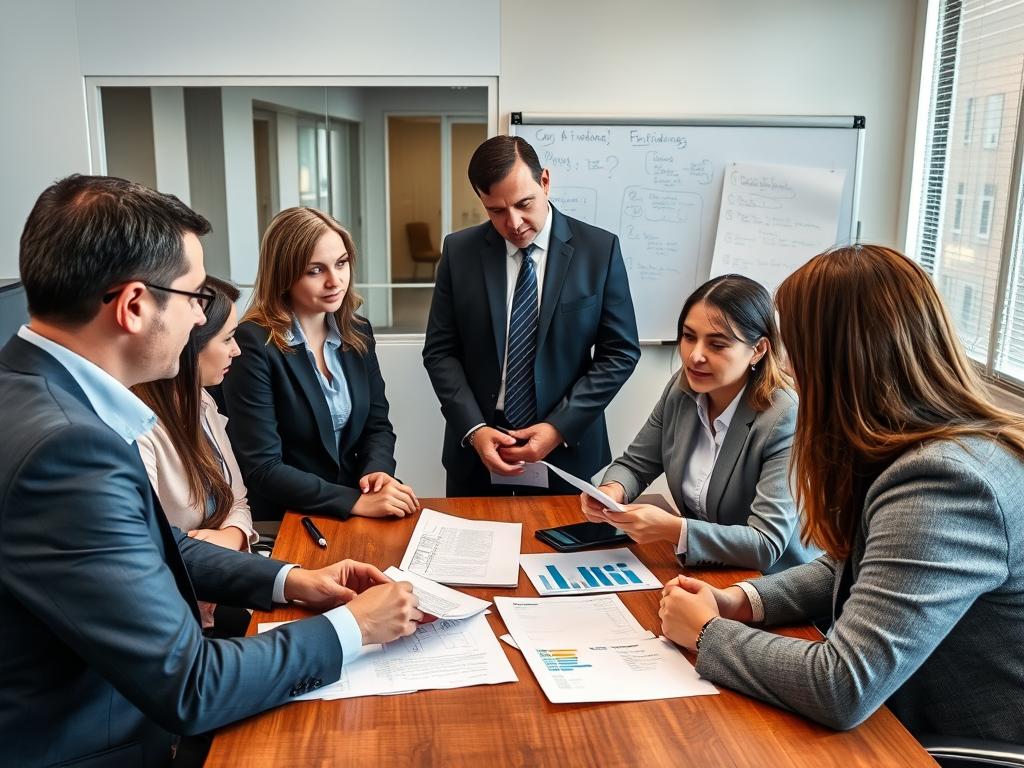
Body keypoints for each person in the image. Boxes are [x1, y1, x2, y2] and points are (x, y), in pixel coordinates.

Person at [0, 175, 422, 768]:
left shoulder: (29, 391)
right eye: (196, 296)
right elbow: (191, 685)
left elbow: (149, 541)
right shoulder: (69, 447)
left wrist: (290, 578)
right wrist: (354, 628)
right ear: (134, 306)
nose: (205, 317)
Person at [659, 245, 1024, 742]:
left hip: (950, 743)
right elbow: (848, 564)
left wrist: (708, 634)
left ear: (840, 361)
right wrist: (741, 601)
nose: (790, 372)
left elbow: (842, 686)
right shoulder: (924, 444)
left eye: (799, 354)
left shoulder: (944, 482)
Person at [423, 135, 641, 496]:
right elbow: (440, 351)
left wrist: (558, 428)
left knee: (559, 551)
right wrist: (474, 429)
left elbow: (620, 352)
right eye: (495, 210)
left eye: (525, 203)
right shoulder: (459, 252)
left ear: (545, 181)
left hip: (565, 452)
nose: (514, 222)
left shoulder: (599, 250)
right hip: (479, 449)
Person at [581, 275, 818, 573]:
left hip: (772, 585)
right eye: (689, 336)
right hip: (708, 572)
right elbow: (634, 465)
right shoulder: (681, 390)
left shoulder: (783, 416)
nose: (695, 356)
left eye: (717, 345)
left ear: (758, 350)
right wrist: (613, 491)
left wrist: (674, 530)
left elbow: (765, 545)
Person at [222, 207, 418, 521]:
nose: (335, 281)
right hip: (286, 514)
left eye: (341, 264)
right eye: (315, 270)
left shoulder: (357, 331)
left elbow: (377, 425)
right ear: (284, 276)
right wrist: (353, 502)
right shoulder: (253, 343)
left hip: (355, 500)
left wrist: (377, 472)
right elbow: (263, 467)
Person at [133, 276, 255, 634]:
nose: (237, 351)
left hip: (221, 582)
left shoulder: (201, 400)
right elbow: (151, 548)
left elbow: (239, 500)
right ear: (190, 345)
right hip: (178, 611)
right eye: (229, 339)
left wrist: (230, 538)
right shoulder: (140, 429)